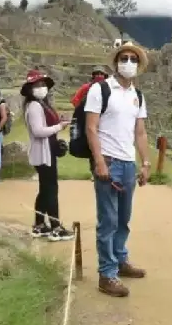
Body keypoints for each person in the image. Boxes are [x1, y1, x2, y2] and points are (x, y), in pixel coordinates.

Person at [85, 42, 151, 298]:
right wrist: (99, 161)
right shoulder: (100, 90)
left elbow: (140, 131)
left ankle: (121, 260)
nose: (129, 62)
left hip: (128, 163)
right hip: (109, 161)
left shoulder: (138, 96)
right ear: (116, 62)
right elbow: (92, 128)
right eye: (124, 58)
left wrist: (145, 163)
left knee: (123, 218)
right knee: (108, 221)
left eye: (133, 59)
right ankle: (107, 274)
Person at [21, 69, 74, 242]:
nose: (41, 87)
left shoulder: (41, 104)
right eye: (37, 85)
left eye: (43, 84)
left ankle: (39, 225)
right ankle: (56, 227)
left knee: (45, 190)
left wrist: (58, 124)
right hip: (43, 153)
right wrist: (60, 126)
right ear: (30, 89)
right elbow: (38, 131)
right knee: (51, 190)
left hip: (47, 150)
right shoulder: (35, 106)